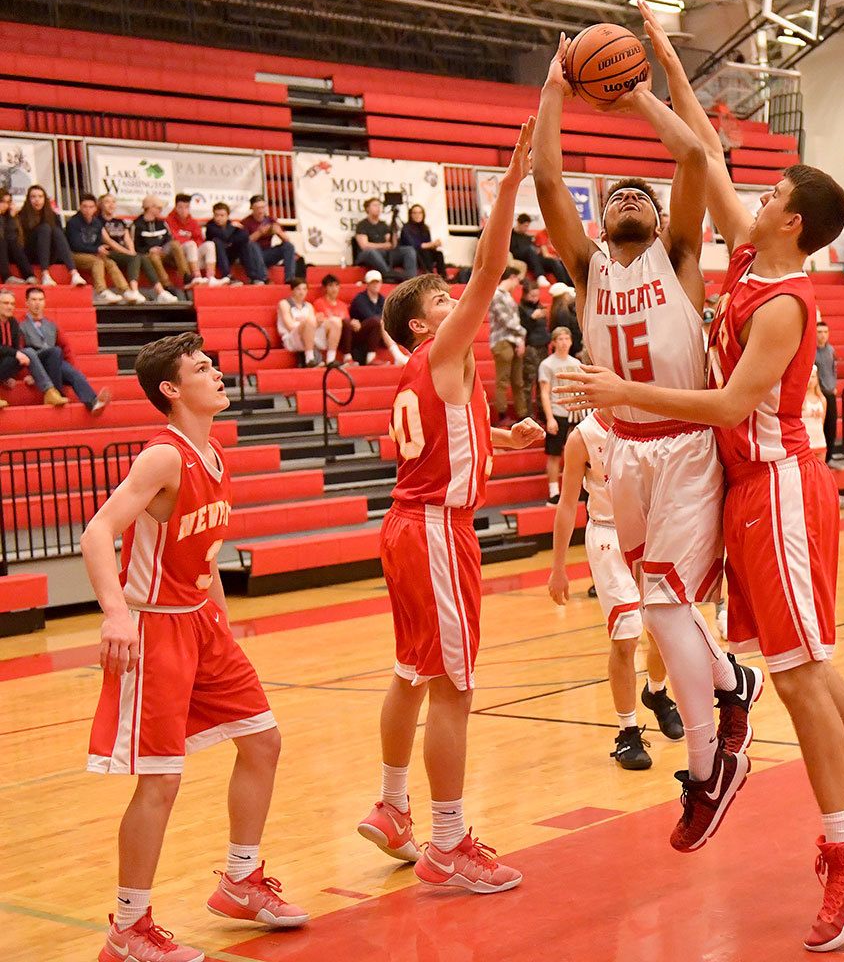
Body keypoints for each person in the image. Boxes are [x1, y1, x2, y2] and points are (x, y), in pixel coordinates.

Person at [557, 3, 844, 952]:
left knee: (799, 677)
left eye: (769, 192)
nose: (751, 195)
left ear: (790, 220)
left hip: (777, 490)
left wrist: (615, 387)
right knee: (807, 667)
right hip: (744, 493)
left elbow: (728, 410)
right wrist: (661, 66)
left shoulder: (782, 305)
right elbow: (705, 154)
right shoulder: (749, 259)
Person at [535, 23, 759, 859]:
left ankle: (714, 746)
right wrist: (558, 86)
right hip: (621, 453)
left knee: (665, 605)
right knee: (662, 613)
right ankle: (722, 721)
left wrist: (638, 94)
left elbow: (697, 160)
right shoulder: (587, 267)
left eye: (642, 194)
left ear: (663, 220)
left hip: (684, 441)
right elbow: (549, 175)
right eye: (616, 195)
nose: (628, 196)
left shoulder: (679, 258)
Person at [355, 121, 543, 892]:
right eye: (444, 297)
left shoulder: (418, 378)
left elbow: (430, 438)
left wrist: (501, 434)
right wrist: (506, 186)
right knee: (455, 688)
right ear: (426, 325)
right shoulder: (442, 350)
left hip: (405, 526)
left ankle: (393, 806)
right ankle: (447, 843)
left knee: (411, 671)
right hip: (436, 530)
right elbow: (494, 266)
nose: (456, 299)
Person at [83, 331, 307, 962]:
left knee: (263, 740)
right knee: (161, 779)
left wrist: (224, 627)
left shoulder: (213, 455)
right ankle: (128, 928)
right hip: (154, 627)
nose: (217, 374)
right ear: (172, 390)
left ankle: (240, 881)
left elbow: (204, 562)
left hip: (201, 624)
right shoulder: (164, 456)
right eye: (202, 368)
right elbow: (97, 533)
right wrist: (115, 614)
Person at [548, 407, 685, 769]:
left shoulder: (646, 421)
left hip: (650, 532)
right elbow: (566, 505)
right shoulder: (582, 437)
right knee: (626, 635)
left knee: (664, 629)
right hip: (607, 534)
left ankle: (656, 693)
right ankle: (627, 732)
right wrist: (558, 567)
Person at [19, 287, 111, 415]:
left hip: (54, 361)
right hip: (36, 361)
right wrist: (27, 374)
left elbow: (66, 347)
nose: (37, 303)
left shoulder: (51, 324)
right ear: (27, 303)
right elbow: (20, 351)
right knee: (54, 351)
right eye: (33, 300)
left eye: (40, 299)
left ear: (45, 302)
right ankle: (57, 393)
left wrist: (72, 368)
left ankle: (93, 403)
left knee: (74, 374)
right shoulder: (21, 325)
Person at [0, 288, 69, 406]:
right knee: (25, 352)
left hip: (4, 366)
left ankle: (50, 392)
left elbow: (17, 348)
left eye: (12, 304)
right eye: (6, 303)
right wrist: (15, 354)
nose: (10, 307)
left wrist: (9, 375)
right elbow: (11, 351)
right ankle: (50, 391)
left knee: (30, 352)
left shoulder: (13, 323)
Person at [538, 326, 582, 503]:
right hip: (557, 412)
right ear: (554, 342)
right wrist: (550, 418)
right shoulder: (547, 364)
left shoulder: (576, 363)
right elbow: (544, 392)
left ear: (571, 341)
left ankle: (576, 489)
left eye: (567, 339)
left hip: (576, 414)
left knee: (576, 455)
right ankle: (554, 491)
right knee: (555, 454)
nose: (564, 343)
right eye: (560, 339)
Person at [18, 185, 87, 287]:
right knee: (45, 228)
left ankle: (74, 273)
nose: (37, 200)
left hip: (50, 255)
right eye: (33, 197)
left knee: (55, 230)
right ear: (28, 199)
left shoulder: (52, 215)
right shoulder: (21, 215)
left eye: (40, 196)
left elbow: (59, 239)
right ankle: (45, 274)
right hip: (31, 254)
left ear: (45, 199)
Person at [65, 193, 128, 304]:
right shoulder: (73, 222)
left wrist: (99, 248)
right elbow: (75, 245)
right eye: (85, 206)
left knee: (110, 262)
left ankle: (125, 290)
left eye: (91, 207)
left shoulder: (97, 223)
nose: (88, 210)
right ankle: (101, 291)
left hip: (91, 253)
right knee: (97, 262)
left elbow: (98, 242)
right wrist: (96, 250)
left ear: (95, 208)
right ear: (80, 207)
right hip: (74, 255)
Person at [98, 193, 155, 303]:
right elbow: (109, 241)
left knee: (141, 257)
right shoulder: (98, 221)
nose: (111, 205)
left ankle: (160, 291)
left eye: (113, 202)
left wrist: (132, 251)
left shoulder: (120, 222)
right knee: (134, 257)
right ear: (101, 205)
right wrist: (128, 253)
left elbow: (128, 239)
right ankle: (133, 290)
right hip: (108, 253)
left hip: (123, 253)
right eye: (107, 202)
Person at [488, 268, 527, 421]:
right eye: (517, 280)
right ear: (512, 277)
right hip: (502, 341)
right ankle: (502, 414)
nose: (517, 284)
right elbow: (508, 322)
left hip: (512, 340)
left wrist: (519, 340)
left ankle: (522, 414)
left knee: (518, 381)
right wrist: (522, 334)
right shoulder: (497, 295)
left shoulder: (506, 296)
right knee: (503, 380)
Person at [131, 196, 185, 302]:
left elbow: (169, 239)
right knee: (154, 256)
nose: (161, 210)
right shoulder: (137, 224)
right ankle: (167, 285)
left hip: (163, 252)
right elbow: (134, 246)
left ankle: (186, 276)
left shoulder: (162, 223)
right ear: (149, 208)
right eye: (158, 207)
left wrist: (161, 248)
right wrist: (149, 249)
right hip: (147, 254)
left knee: (175, 244)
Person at [351, 270, 408, 366]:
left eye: (377, 282)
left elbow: (388, 316)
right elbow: (369, 316)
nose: (375, 285)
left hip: (378, 334)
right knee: (379, 321)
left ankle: (403, 353)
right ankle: (396, 355)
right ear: (367, 284)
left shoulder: (382, 299)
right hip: (360, 333)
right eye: (373, 282)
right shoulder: (360, 299)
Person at [166, 193, 224, 285]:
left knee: (209, 244)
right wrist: (191, 242)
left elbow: (199, 238)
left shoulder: (192, 221)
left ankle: (211, 277)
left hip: (193, 255)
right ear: (175, 207)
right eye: (180, 207)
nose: (183, 210)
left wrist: (195, 245)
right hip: (178, 255)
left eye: (186, 207)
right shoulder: (169, 220)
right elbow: (174, 238)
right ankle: (196, 277)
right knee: (191, 244)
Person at [204, 202, 267, 284]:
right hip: (217, 257)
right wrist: (232, 229)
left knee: (246, 245)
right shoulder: (210, 226)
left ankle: (253, 277)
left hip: (230, 254)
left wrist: (230, 242)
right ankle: (227, 276)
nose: (219, 218)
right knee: (218, 242)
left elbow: (244, 236)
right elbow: (223, 236)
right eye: (216, 215)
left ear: (227, 216)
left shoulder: (231, 225)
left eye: (222, 215)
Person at [355, 197, 416, 278]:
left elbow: (392, 245)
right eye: (374, 205)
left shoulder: (383, 225)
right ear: (367, 208)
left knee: (408, 250)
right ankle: (388, 274)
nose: (378, 208)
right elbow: (364, 246)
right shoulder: (362, 225)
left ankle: (410, 277)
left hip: (384, 254)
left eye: (379, 206)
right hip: (368, 255)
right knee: (371, 252)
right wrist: (384, 245)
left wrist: (394, 232)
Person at [241, 195, 298, 281]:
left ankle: (290, 278)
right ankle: (263, 277)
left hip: (266, 255)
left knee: (289, 246)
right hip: (251, 258)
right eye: (257, 208)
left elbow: (287, 240)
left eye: (262, 207)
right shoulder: (246, 222)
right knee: (253, 245)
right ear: (251, 208)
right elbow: (245, 243)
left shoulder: (270, 220)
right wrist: (259, 232)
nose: (260, 211)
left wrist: (279, 232)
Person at [510, 212, 570, 284]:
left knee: (553, 261)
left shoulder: (528, 237)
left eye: (528, 226)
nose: (527, 228)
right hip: (518, 256)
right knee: (530, 249)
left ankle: (565, 284)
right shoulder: (511, 235)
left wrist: (537, 250)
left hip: (532, 257)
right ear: (519, 224)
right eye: (525, 226)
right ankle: (540, 276)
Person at [520, 281, 552, 418]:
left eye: (537, 295)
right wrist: (533, 317)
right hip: (531, 347)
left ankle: (543, 411)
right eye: (532, 295)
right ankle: (527, 413)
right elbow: (523, 326)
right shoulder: (521, 308)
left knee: (542, 380)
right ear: (526, 295)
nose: (535, 298)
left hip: (543, 346)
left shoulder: (538, 306)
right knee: (529, 381)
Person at [277, 276, 322, 367]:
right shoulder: (284, 304)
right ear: (292, 290)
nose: (302, 292)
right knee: (309, 323)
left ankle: (331, 359)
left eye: (304, 289)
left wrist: (317, 322)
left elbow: (312, 325)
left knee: (332, 322)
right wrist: (304, 324)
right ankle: (310, 358)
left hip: (307, 335)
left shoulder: (309, 306)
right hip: (290, 337)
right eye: (298, 289)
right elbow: (289, 326)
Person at [311, 273, 353, 364]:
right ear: (325, 288)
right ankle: (334, 359)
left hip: (342, 336)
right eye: (331, 286)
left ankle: (349, 357)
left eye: (336, 285)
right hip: (326, 335)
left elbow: (346, 323)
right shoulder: (319, 303)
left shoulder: (342, 305)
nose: (334, 289)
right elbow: (320, 322)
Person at [0, 187, 37, 285]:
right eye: (2, 202)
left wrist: (11, 218)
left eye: (8, 202)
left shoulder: (10, 217)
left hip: (8, 253)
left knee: (14, 243)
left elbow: (12, 237)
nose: (6, 205)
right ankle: (6, 276)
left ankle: (29, 276)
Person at [399, 203, 446, 275]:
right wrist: (431, 244)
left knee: (439, 254)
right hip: (413, 255)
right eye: (415, 213)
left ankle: (443, 276)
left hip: (425, 253)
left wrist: (435, 245)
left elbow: (428, 244)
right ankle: (430, 275)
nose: (417, 215)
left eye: (420, 213)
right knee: (425, 253)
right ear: (410, 215)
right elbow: (414, 245)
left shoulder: (425, 228)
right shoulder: (406, 228)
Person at [814, 320, 838, 461]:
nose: (822, 335)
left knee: (831, 427)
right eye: (819, 332)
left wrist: (834, 385)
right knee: (820, 427)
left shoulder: (831, 350)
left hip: (830, 392)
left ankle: (829, 457)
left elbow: (834, 370)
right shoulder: (811, 351)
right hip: (818, 393)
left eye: (825, 332)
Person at [549, 281, 583, 358]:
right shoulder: (563, 313)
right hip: (570, 350)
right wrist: (577, 350)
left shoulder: (556, 310)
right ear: (563, 296)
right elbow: (569, 332)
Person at [802, 365, 828, 456]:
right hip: (805, 441)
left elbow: (822, 422)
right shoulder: (801, 399)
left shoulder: (822, 399)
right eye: (808, 376)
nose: (811, 380)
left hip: (819, 440)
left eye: (813, 377)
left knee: (820, 468)